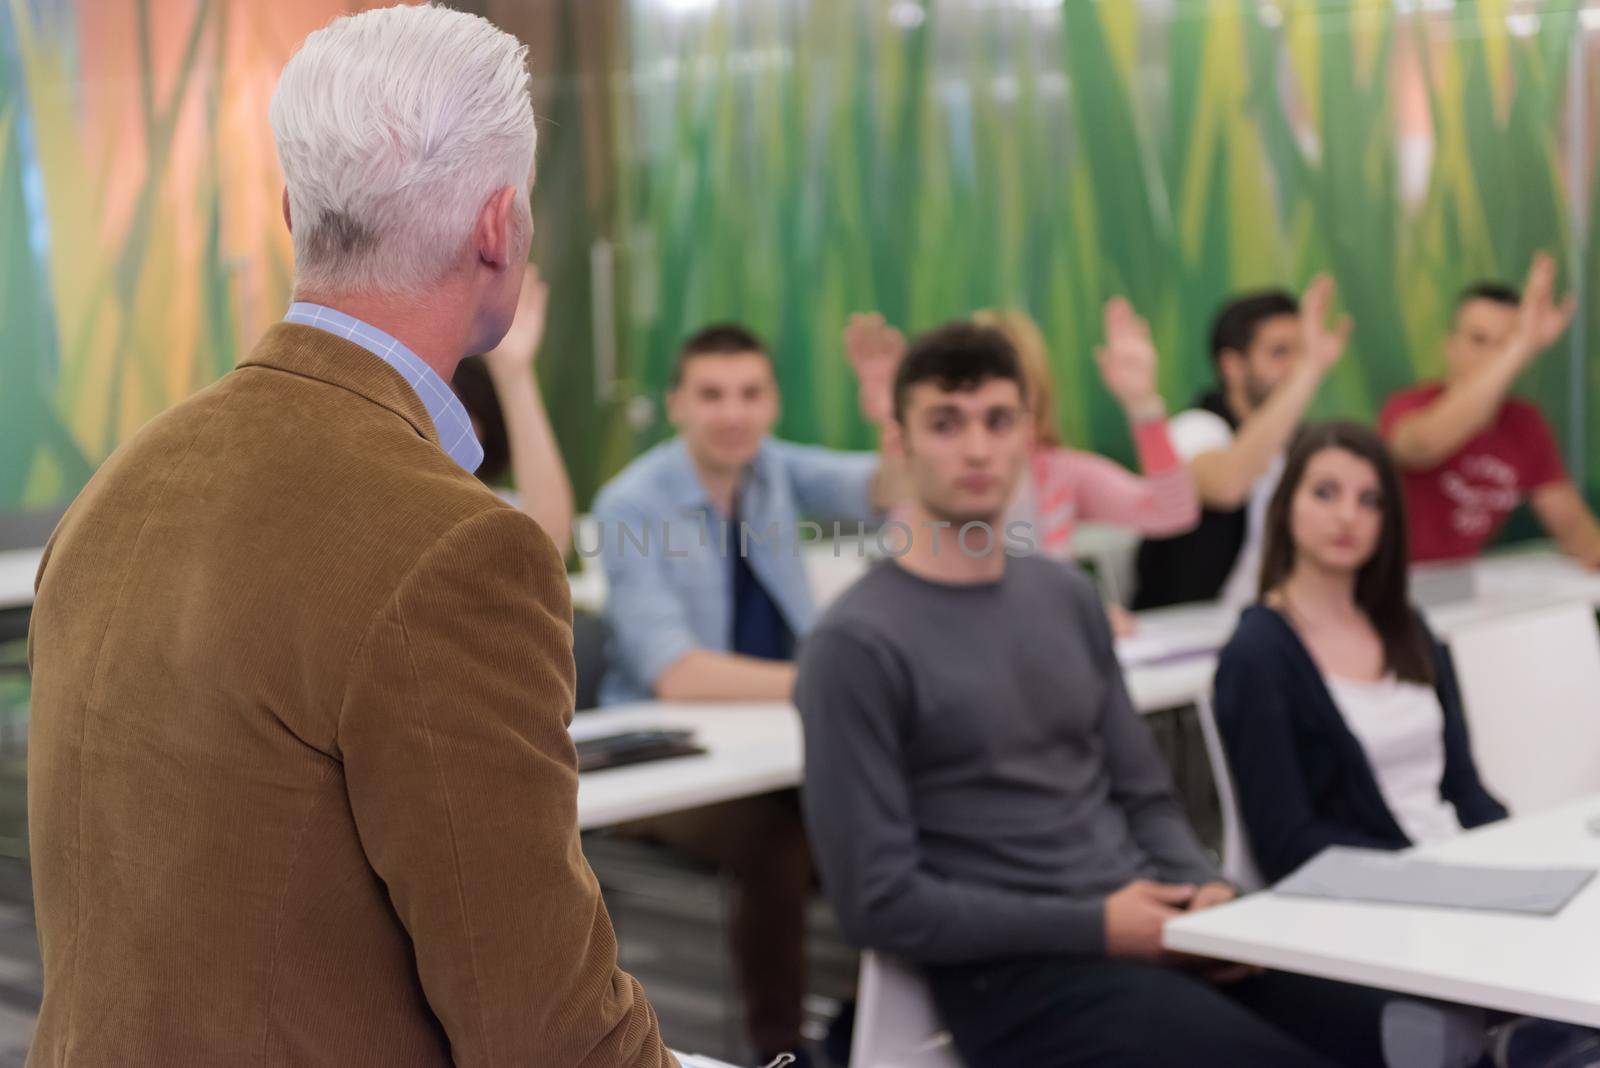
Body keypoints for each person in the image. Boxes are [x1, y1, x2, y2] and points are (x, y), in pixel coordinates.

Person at [23, 7, 671, 1065]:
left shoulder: (119, 485)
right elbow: (549, 1034)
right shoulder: (454, 548)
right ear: (500, 227)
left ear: (292, 211)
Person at [796, 323, 1395, 1068]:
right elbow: (876, 902)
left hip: (1153, 926)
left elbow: (1146, 795)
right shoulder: (854, 645)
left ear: (1028, 436)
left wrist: (1201, 887)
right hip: (1020, 974)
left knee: (1394, 1025)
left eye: (998, 420)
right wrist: (1100, 927)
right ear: (900, 443)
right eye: (945, 424)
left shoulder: (1064, 596)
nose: (977, 449)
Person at [591, 321, 897, 1066]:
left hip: (773, 738)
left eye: (750, 394)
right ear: (676, 405)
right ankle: (780, 1048)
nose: (733, 413)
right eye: (712, 395)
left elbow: (893, 490)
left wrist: (889, 409)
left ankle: (882, 1022)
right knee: (778, 837)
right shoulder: (631, 505)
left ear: (773, 403)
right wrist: (827, 679)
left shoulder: (774, 470)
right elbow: (679, 675)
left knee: (888, 808)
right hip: (669, 762)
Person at [1213, 421, 1508, 885]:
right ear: (1286, 505)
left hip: (1455, 873)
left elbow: (1467, 792)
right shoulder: (1258, 654)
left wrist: (1513, 856)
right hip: (1371, 898)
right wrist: (1424, 871)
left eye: (1369, 500)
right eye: (1325, 493)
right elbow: (1287, 844)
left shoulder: (1407, 626)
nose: (1347, 515)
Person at [1134, 277, 1350, 609]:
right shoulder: (1194, 428)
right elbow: (1226, 485)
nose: (1294, 367)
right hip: (1187, 632)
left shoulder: (1305, 445)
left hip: (1279, 622)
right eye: (1280, 352)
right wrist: (1309, 369)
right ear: (1232, 366)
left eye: (1302, 351)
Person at [1381, 254, 1600, 567]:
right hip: (1396, 584)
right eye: (1478, 340)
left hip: (1466, 588)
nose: (1492, 356)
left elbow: (1576, 531)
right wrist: (1521, 345)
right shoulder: (1409, 406)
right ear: (1450, 346)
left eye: (1504, 343)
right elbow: (1423, 445)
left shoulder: (1525, 423)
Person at [973, 302, 1199, 559]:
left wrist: (1143, 405)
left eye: (1015, 384)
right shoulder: (935, 481)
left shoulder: (1059, 473)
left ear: (1037, 395)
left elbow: (1173, 512)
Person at [451, 264, 575, 556]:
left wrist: (514, 371)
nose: (442, 423)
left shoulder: (493, 512)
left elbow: (548, 544)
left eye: (458, 409)